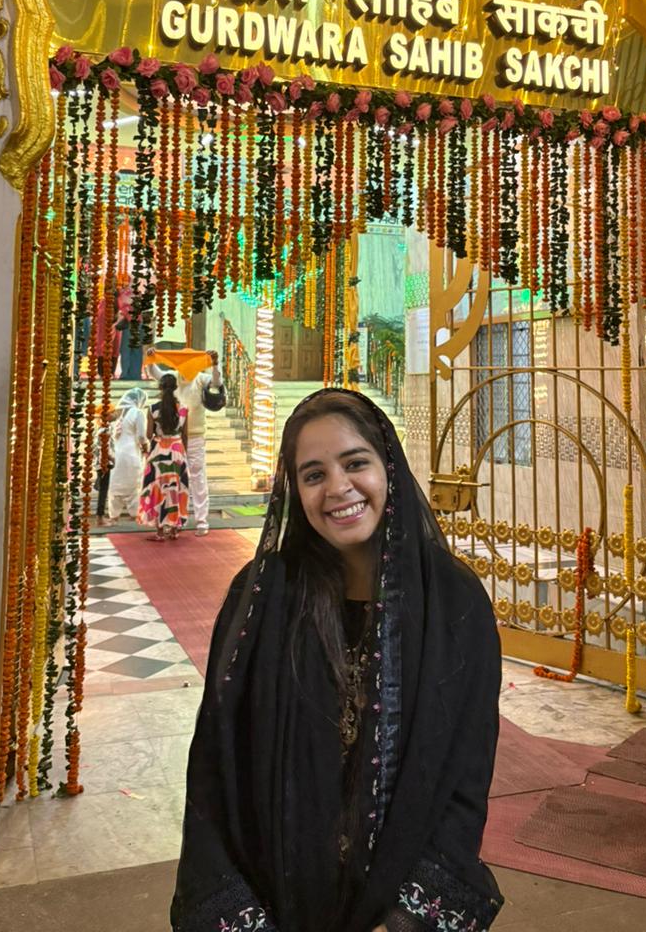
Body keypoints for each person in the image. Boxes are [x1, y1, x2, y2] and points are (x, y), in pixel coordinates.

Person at [171, 389, 503, 932]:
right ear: (294, 491)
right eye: (313, 474)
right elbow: (215, 761)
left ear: (387, 467)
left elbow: (465, 777)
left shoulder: (451, 601)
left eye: (355, 463)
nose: (338, 489)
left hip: (394, 907)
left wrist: (402, 923)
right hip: (274, 902)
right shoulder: (264, 594)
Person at [146, 349, 223, 537]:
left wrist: (215, 364)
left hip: (195, 437)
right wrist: (149, 358)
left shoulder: (201, 378)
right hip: (174, 440)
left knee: (197, 478)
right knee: (176, 482)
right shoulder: (172, 377)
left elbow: (217, 383)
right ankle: (177, 521)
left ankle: (202, 522)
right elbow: (155, 374)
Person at [138, 373, 190, 541]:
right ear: (175, 388)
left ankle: (160, 531)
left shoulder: (153, 409)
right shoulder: (183, 409)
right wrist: (183, 452)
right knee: (176, 489)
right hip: (177, 451)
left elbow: (148, 434)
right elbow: (185, 435)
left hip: (159, 450)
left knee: (158, 489)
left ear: (160, 387)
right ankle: (174, 528)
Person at [106, 388, 148, 522]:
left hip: (116, 454)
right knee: (133, 485)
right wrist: (146, 447)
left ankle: (114, 516)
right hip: (132, 454)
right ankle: (133, 515)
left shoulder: (117, 413)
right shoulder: (137, 413)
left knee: (115, 485)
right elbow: (141, 436)